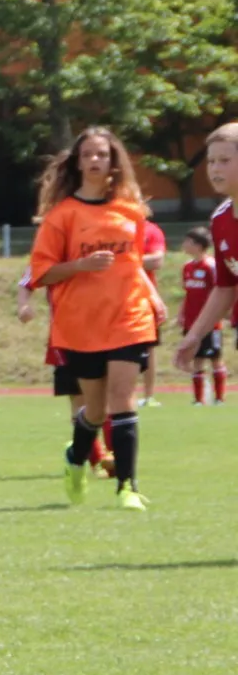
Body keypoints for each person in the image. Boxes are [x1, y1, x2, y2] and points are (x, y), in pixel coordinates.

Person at [27, 127, 165, 511]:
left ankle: (127, 487)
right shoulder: (62, 216)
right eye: (87, 154)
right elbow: (41, 273)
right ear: (77, 162)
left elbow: (132, 264)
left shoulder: (131, 211)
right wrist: (80, 265)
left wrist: (152, 296)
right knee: (96, 409)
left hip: (128, 316)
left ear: (113, 162)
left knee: (123, 399)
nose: (94, 160)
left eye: (102, 154)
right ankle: (75, 458)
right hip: (82, 324)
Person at [18, 269, 113, 476]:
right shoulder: (53, 256)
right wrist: (23, 306)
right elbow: (27, 281)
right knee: (80, 401)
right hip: (65, 340)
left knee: (107, 399)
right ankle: (98, 460)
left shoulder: (101, 254)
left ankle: (115, 455)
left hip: (104, 335)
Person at [173, 123, 238, 383]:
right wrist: (195, 335)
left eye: (224, 160)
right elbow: (225, 286)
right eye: (211, 161)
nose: (215, 169)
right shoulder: (220, 219)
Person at [176, 228, 225, 405]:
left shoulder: (211, 266)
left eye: (187, 242)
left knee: (215, 359)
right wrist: (181, 314)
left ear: (198, 245)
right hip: (191, 322)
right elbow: (188, 293)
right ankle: (198, 400)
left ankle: (219, 398)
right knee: (196, 360)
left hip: (210, 324)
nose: (184, 245)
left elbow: (220, 292)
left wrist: (218, 315)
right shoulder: (187, 267)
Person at [137, 214, 168, 407]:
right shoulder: (112, 225)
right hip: (112, 297)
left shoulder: (151, 230)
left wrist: (125, 260)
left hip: (144, 298)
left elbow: (156, 260)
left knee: (149, 347)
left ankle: (148, 395)